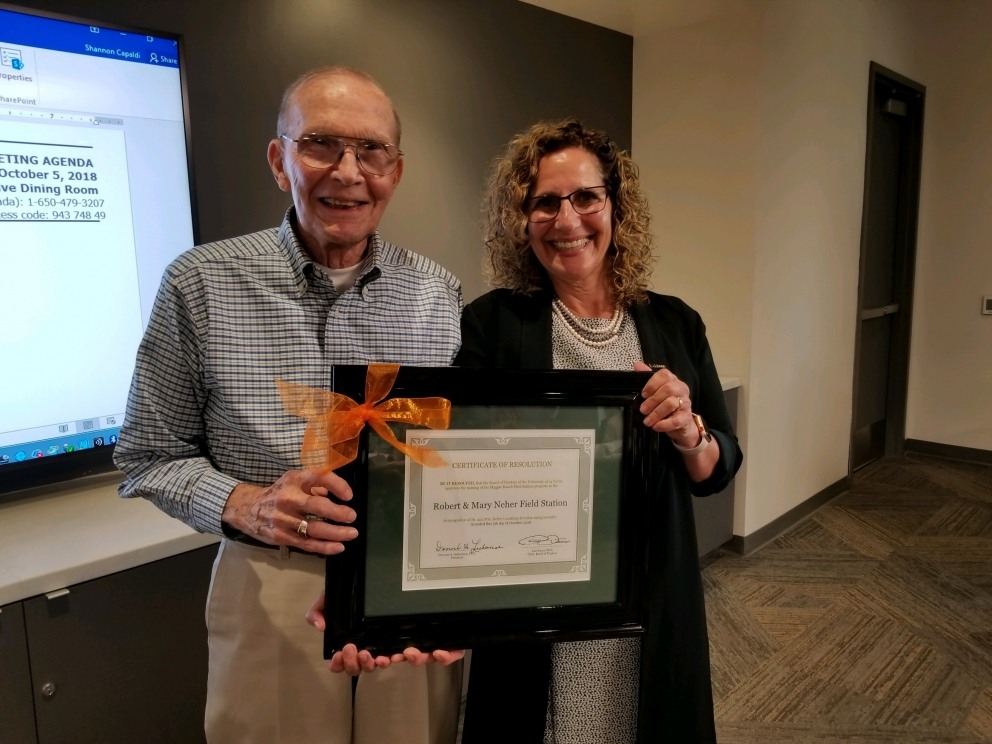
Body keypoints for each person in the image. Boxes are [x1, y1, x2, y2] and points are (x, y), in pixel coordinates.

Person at [114, 66, 464, 744]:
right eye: (321, 145)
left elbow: (456, 452)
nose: (348, 172)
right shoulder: (200, 284)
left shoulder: (436, 293)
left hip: (410, 581)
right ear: (280, 160)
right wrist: (247, 503)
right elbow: (147, 456)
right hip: (270, 580)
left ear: (397, 169)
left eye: (372, 151)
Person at [455, 120, 743, 743]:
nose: (567, 220)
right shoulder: (492, 326)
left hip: (649, 589)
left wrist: (688, 430)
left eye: (586, 197)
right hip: (534, 599)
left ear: (615, 206)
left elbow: (720, 464)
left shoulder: (675, 323)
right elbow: (453, 468)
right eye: (545, 202)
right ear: (520, 218)